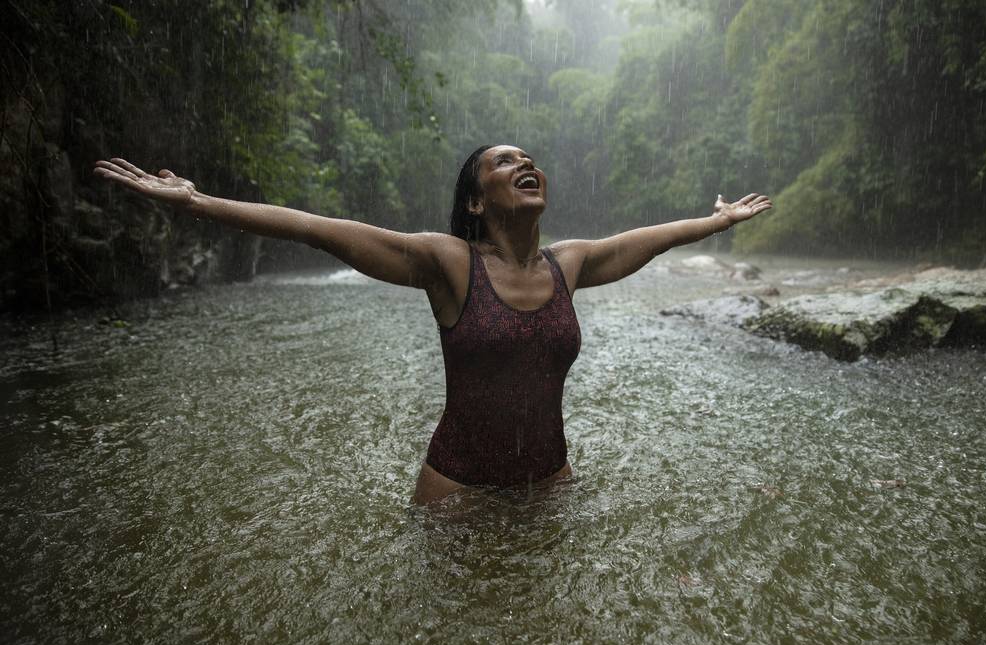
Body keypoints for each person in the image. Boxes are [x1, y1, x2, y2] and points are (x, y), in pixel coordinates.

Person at [93, 145, 772, 504]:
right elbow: (316, 229)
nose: (525, 164)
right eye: (505, 162)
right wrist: (197, 202)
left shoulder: (570, 264)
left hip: (550, 483)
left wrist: (717, 222)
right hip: (458, 493)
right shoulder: (447, 263)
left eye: (528, 158)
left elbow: (647, 238)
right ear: (476, 202)